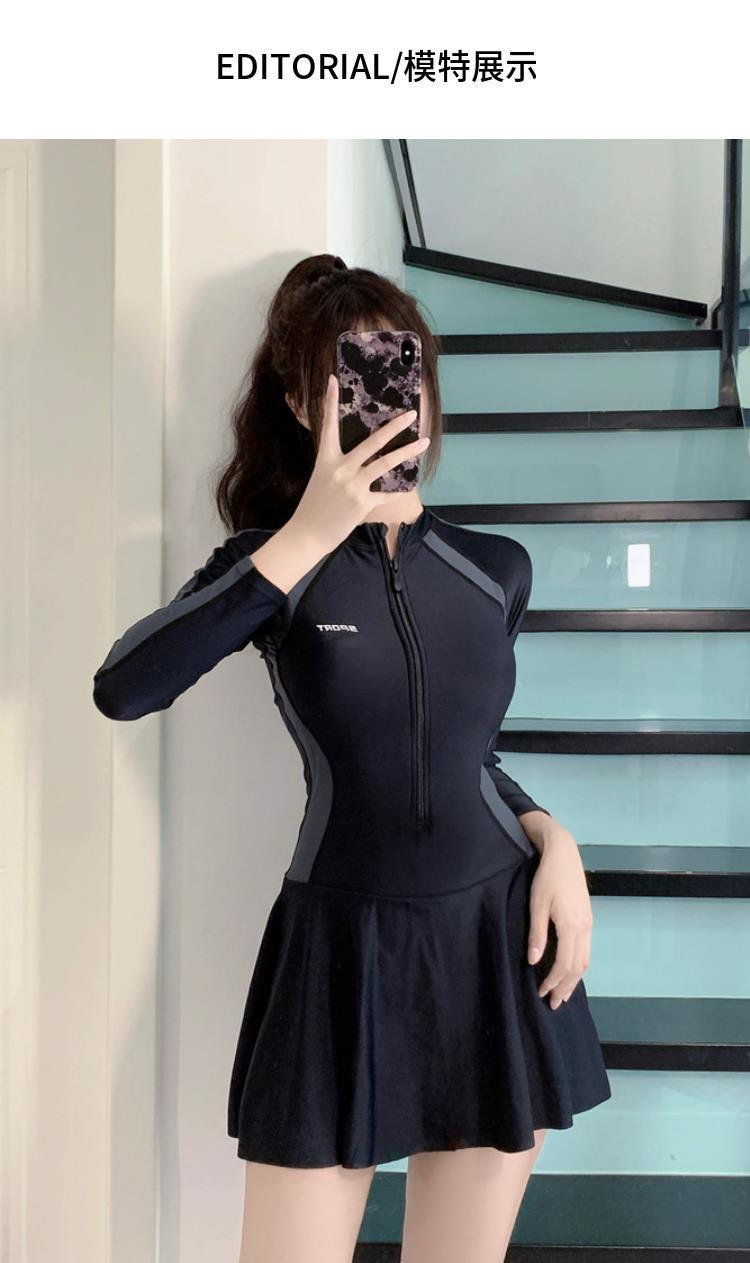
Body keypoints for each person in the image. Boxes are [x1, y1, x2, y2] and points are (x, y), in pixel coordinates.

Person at [92, 254, 612, 1263]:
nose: (382, 402)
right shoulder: (270, 565)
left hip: (495, 945)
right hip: (339, 955)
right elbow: (126, 688)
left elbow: (464, 754)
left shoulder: (494, 568)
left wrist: (554, 836)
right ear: (301, 404)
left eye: (397, 371)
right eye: (347, 380)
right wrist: (310, 529)